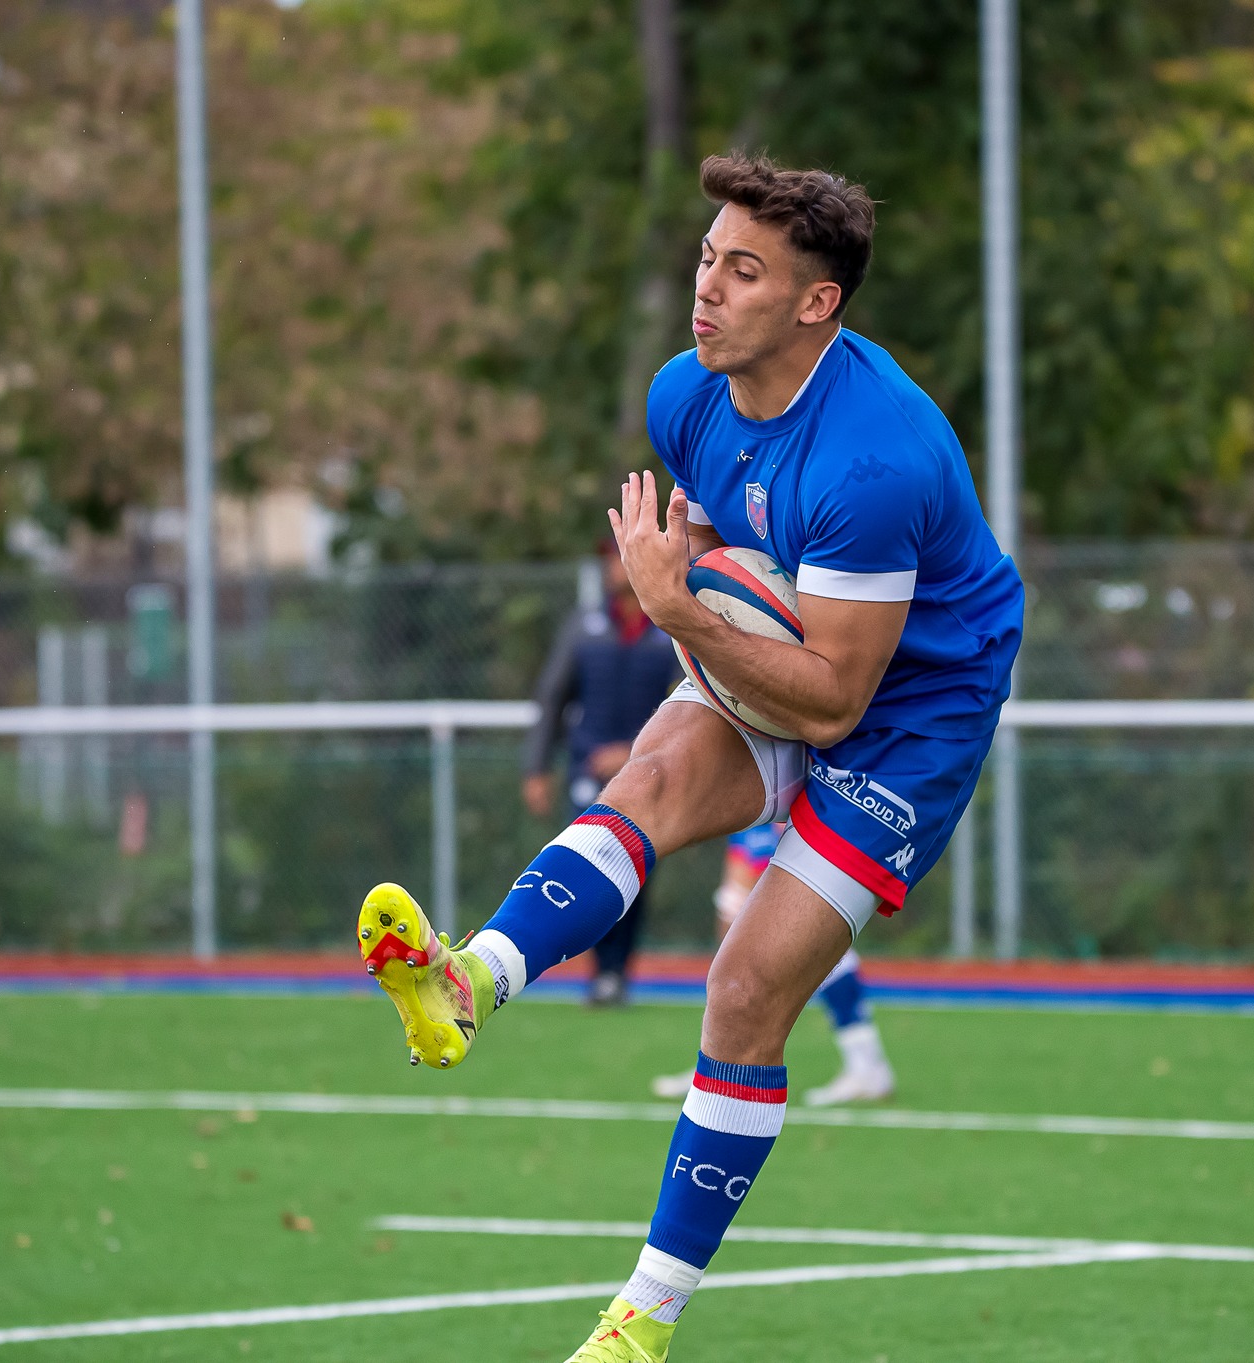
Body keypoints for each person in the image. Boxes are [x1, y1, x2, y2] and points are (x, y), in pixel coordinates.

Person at [355, 152, 1022, 1362]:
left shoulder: (874, 460)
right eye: (708, 258)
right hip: (792, 651)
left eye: (745, 271)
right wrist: (696, 624)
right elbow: (720, 564)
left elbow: (829, 703)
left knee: (744, 987)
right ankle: (471, 982)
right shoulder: (687, 392)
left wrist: (679, 614)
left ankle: (639, 1323)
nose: (706, 289)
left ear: (815, 304)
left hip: (912, 706)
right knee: (648, 781)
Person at [522, 542, 682, 1006]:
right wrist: (536, 768)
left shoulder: (670, 627)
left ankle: (617, 972)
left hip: (651, 775)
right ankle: (599, 970)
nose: (617, 566)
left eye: (623, 556)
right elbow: (553, 698)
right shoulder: (584, 626)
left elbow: (689, 707)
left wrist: (633, 750)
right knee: (590, 865)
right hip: (587, 774)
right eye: (611, 558)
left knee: (636, 872)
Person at [651, 822, 893, 1105]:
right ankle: (716, 1063)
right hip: (759, 813)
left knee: (814, 941)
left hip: (794, 814)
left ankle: (866, 1066)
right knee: (736, 925)